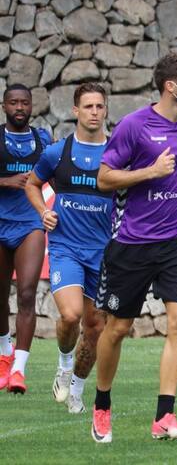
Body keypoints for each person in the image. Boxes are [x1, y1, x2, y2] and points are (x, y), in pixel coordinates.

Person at [90, 52, 177, 443]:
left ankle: (164, 417)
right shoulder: (134, 125)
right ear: (171, 87)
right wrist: (150, 172)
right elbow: (104, 178)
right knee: (118, 329)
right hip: (132, 243)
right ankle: (102, 404)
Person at [25, 83, 111, 413]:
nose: (94, 112)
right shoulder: (57, 153)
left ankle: (76, 387)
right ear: (75, 111)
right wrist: (43, 211)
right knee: (71, 314)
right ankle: (63, 363)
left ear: (105, 110)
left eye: (99, 106)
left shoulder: (116, 154)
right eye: (88, 106)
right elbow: (33, 184)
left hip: (103, 252)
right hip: (66, 248)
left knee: (95, 327)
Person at [0, 84, 52, 394]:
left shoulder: (43, 139)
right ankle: (4, 354)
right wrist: (5, 181)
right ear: (4, 106)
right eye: (13, 102)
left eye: (24, 103)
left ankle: (19, 369)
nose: (19, 107)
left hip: (30, 223)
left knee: (27, 293)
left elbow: (56, 172)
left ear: (32, 106)